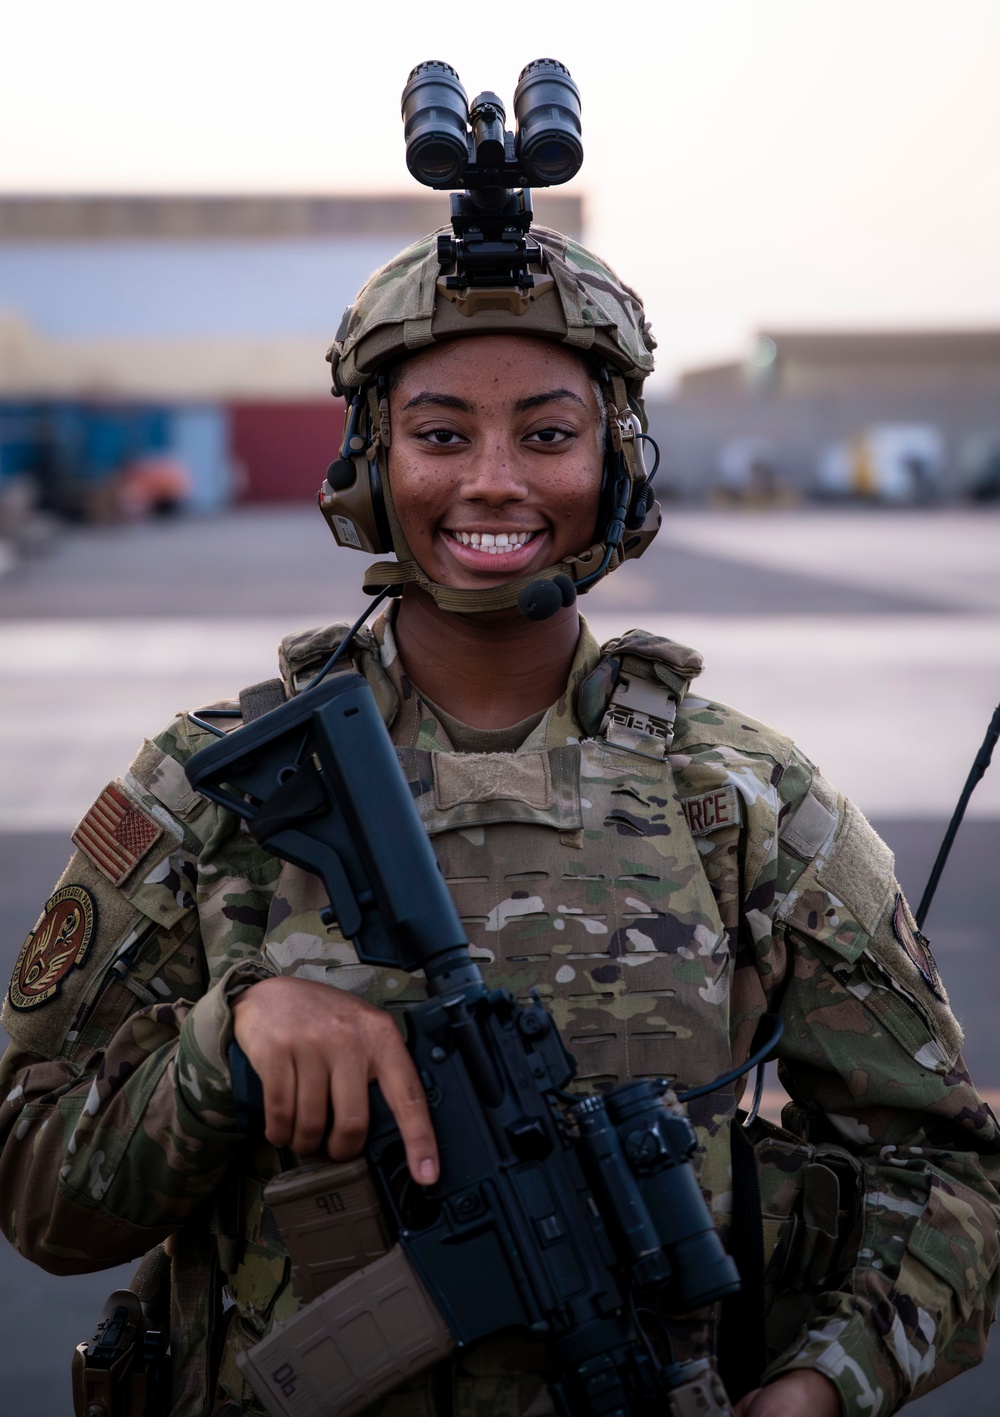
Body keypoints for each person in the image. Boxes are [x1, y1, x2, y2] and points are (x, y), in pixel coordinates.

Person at [1, 221, 997, 1417]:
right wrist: (233, 1042)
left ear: (617, 460)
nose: (491, 480)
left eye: (547, 434)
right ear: (372, 464)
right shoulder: (215, 786)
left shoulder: (744, 797)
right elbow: (36, 1188)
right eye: (437, 435)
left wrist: (821, 1388)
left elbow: (945, 1168)